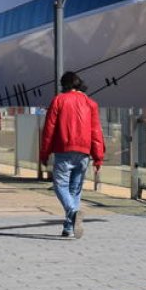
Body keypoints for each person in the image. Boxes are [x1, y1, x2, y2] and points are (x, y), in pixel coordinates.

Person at [38, 71, 105, 238]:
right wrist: (98, 158)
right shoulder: (91, 103)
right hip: (83, 152)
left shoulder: (58, 100)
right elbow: (96, 132)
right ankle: (68, 227)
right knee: (75, 189)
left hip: (63, 150)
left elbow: (49, 130)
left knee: (60, 185)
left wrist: (44, 153)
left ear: (64, 85)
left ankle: (73, 213)